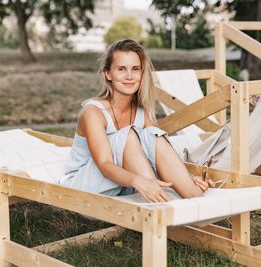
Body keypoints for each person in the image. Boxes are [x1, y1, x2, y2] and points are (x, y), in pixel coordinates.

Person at [59, 39, 214, 202]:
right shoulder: (93, 112)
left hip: (123, 185)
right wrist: (140, 181)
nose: (129, 76)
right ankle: (163, 208)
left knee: (154, 135)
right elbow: (105, 164)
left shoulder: (141, 112)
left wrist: (186, 179)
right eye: (121, 69)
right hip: (85, 185)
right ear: (108, 74)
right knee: (128, 136)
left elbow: (155, 154)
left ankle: (197, 201)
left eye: (135, 69)